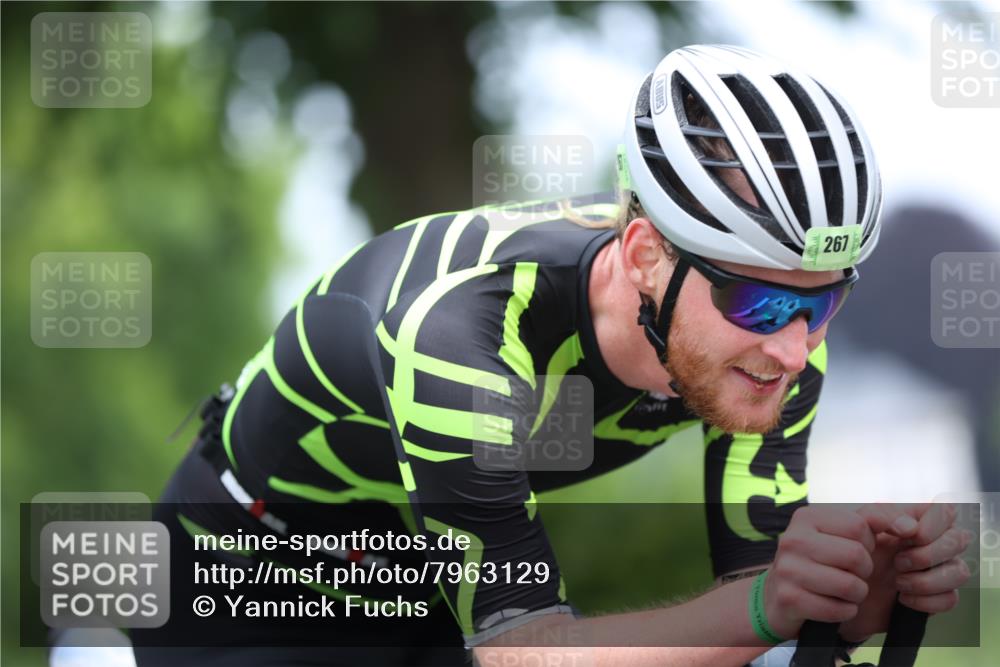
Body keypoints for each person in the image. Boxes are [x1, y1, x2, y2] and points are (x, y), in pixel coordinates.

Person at [130, 45, 970, 667]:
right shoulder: (462, 333)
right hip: (243, 575)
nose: (792, 347)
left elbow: (763, 607)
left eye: (823, 303)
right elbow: (527, 651)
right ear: (645, 255)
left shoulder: (773, 352)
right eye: (759, 301)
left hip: (408, 574)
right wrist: (767, 605)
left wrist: (850, 603)